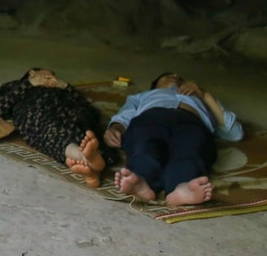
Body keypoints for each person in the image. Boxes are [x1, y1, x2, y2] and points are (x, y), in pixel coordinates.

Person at [104, 72, 243, 206]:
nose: (176, 76)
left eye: (179, 77)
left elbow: (235, 133)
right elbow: (124, 116)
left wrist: (204, 95)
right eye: (168, 76)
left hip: (191, 122)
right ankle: (142, 180)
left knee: (190, 150)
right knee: (144, 144)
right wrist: (115, 128)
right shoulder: (142, 96)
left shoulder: (200, 97)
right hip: (151, 118)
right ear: (155, 86)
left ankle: (182, 187)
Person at [0, 69, 113, 187]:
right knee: (51, 130)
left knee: (88, 133)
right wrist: (29, 84)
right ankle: (86, 159)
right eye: (47, 76)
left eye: (53, 77)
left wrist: (65, 86)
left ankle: (92, 168)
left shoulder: (63, 90)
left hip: (69, 111)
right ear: (32, 73)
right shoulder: (15, 86)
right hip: (36, 110)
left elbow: (90, 109)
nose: (51, 78)